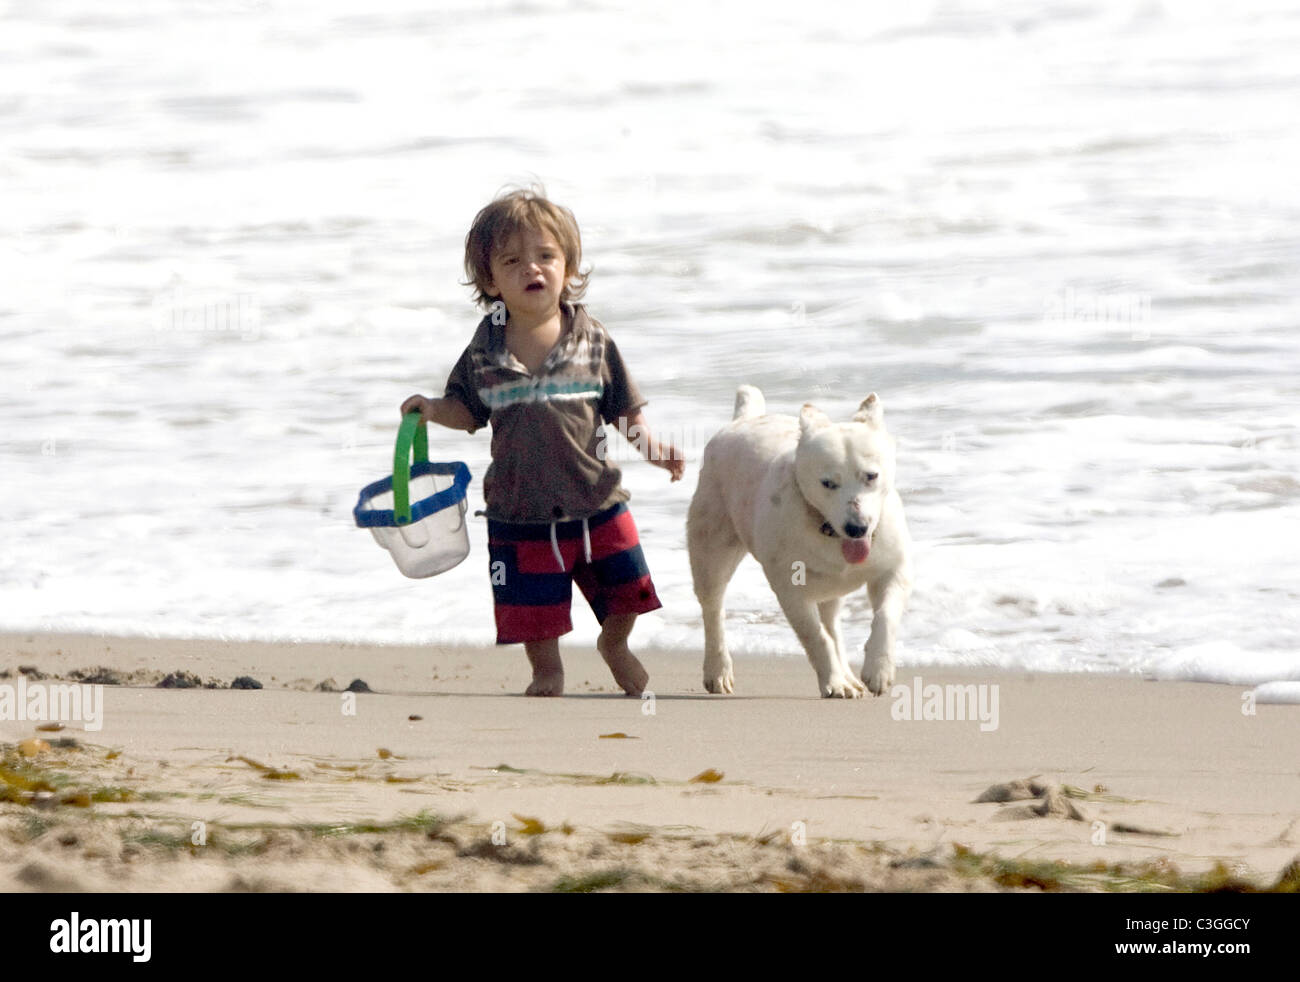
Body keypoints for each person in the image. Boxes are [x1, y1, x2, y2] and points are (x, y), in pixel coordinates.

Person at [401, 187, 684, 697]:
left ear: (569, 266)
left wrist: (653, 447)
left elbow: (623, 406)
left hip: (596, 499)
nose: (531, 269)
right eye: (512, 261)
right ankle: (546, 671)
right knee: (534, 607)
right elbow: (468, 409)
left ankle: (614, 646)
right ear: (490, 280)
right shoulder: (484, 348)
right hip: (519, 506)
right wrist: (432, 411)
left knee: (628, 592)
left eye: (546, 256)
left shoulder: (593, 339)